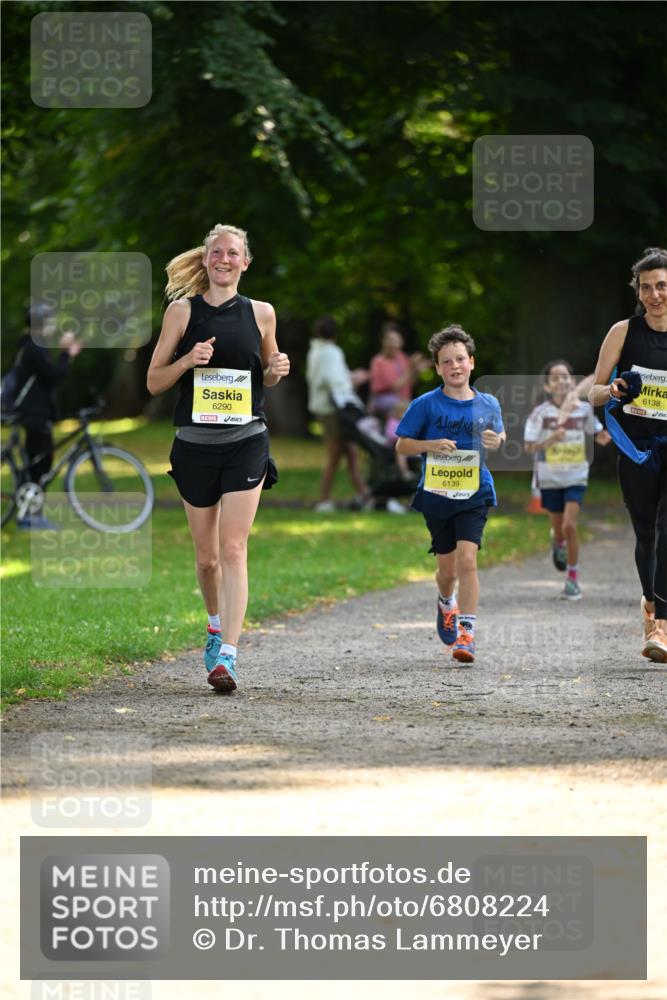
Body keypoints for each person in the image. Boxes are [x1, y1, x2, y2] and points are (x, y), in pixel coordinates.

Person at [146, 223, 289, 692]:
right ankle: (213, 623)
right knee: (207, 559)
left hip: (247, 441)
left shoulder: (262, 313)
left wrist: (276, 369)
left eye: (233, 253)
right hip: (194, 446)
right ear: (205, 259)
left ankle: (227, 654)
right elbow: (154, 381)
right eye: (216, 253)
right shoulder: (181, 312)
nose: (224, 259)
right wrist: (188, 360)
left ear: (245, 262)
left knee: (233, 549)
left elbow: (266, 377)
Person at [395, 324, 505, 664]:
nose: (454, 366)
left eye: (460, 359)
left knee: (468, 560)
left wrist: (496, 441)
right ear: (439, 367)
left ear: (471, 362)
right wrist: (431, 446)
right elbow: (402, 445)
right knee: (448, 571)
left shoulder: (488, 403)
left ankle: (467, 633)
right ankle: (446, 601)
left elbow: (499, 437)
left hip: (475, 493)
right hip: (438, 494)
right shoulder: (426, 405)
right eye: (447, 361)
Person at [589, 246, 667, 663]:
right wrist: (614, 389)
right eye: (647, 288)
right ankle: (651, 607)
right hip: (636, 447)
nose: (656, 295)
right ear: (638, 292)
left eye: (663, 286)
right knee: (647, 536)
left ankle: (663, 626)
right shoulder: (623, 332)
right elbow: (593, 391)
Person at [524, 360, 611, 601]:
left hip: (576, 476)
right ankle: (558, 542)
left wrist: (603, 436)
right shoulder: (539, 413)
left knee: (570, 526)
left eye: (566, 377)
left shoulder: (582, 409)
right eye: (556, 378)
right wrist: (550, 439)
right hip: (550, 478)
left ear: (573, 383)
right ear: (548, 386)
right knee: (560, 529)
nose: (562, 381)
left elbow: (596, 431)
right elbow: (529, 447)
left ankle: (572, 580)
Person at [12, 303, 82, 529]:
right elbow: (54, 376)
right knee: (40, 467)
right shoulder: (34, 347)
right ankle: (31, 517)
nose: (54, 325)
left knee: (37, 466)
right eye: (50, 321)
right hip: (35, 415)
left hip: (34, 413)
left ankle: (28, 514)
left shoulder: (30, 346)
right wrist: (65, 354)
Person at [305, 316, 371, 512]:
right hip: (334, 410)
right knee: (336, 455)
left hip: (322, 408)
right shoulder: (332, 352)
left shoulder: (315, 351)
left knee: (350, 453)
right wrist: (355, 379)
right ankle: (324, 499)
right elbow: (335, 381)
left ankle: (365, 495)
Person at [368, 322, 430, 420]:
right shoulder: (378, 361)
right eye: (390, 340)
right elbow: (395, 386)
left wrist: (416, 371)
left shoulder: (402, 358)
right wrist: (411, 368)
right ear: (383, 341)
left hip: (403, 400)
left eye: (396, 340)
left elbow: (411, 383)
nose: (394, 343)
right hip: (384, 400)